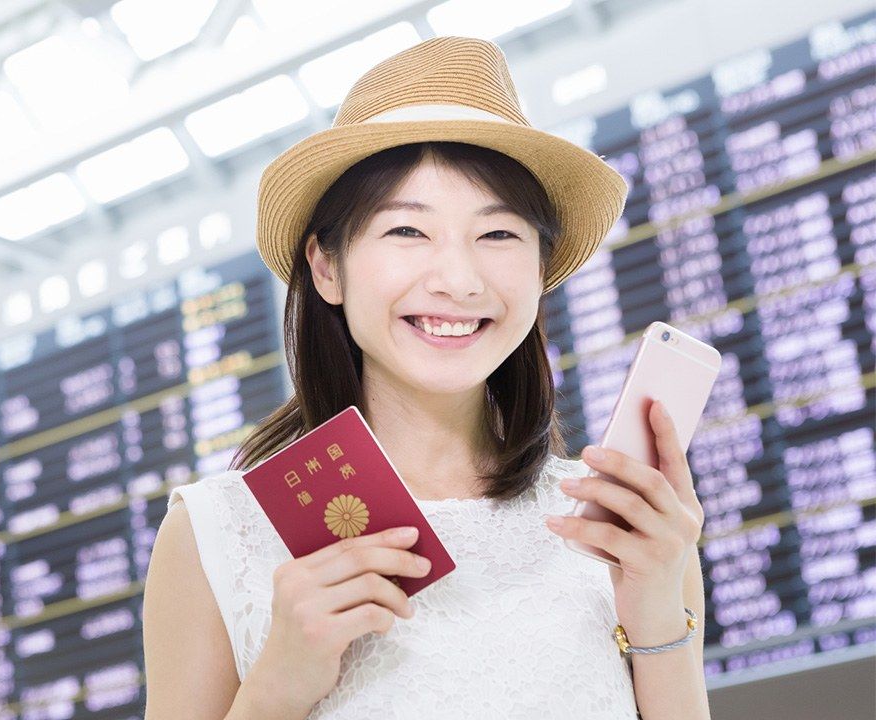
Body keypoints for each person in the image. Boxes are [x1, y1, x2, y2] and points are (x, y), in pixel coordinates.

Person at [143, 36, 709, 719]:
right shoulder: (214, 532)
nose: (458, 281)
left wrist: (656, 612)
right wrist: (277, 685)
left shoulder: (624, 525)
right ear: (327, 267)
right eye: (408, 232)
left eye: (498, 236)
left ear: (538, 270)